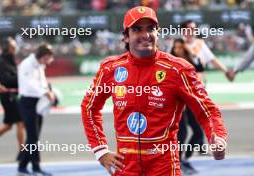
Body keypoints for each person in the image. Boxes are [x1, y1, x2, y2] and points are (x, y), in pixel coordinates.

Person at [81, 6, 227, 176]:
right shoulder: (110, 68)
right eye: (137, 29)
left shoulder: (178, 69)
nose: (145, 34)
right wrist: (101, 151)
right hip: (125, 168)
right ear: (126, 37)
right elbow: (89, 107)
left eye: (151, 28)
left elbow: (207, 110)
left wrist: (217, 137)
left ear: (158, 33)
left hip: (164, 168)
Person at [17, 43, 55, 176]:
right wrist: (44, 92)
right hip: (27, 102)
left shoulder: (39, 64)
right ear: (42, 55)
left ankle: (22, 164)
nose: (48, 60)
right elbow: (29, 85)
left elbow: (42, 82)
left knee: (34, 136)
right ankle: (36, 167)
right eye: (47, 57)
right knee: (33, 137)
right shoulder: (27, 64)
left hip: (38, 102)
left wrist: (48, 90)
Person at [171, 38, 205, 174]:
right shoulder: (170, 62)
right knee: (182, 132)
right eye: (176, 47)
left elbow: (201, 71)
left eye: (181, 47)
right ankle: (178, 161)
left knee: (198, 132)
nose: (178, 50)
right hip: (178, 104)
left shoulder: (190, 62)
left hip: (191, 102)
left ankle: (185, 158)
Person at [0, 37, 25, 153]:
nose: (15, 48)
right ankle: (22, 152)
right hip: (8, 97)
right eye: (13, 46)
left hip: (11, 96)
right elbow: (7, 80)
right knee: (20, 121)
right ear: (8, 48)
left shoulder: (9, 60)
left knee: (8, 125)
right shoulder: (3, 63)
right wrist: (21, 77)